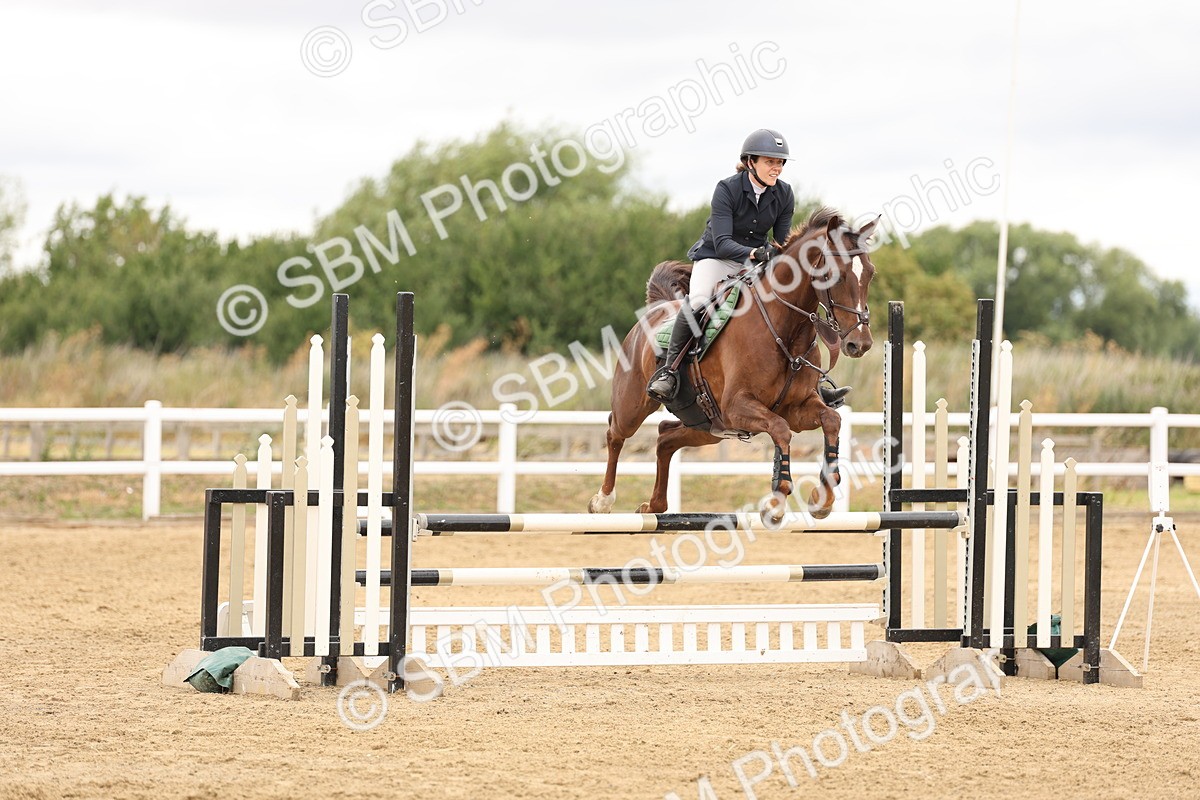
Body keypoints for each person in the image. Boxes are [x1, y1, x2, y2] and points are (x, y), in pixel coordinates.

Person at [647, 128, 795, 402]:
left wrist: (779, 258)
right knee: (699, 302)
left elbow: (782, 241)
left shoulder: (784, 194)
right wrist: (755, 253)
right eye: (770, 162)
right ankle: (669, 371)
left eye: (780, 163)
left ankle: (806, 380)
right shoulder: (727, 189)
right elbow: (724, 242)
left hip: (753, 264)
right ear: (751, 162)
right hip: (716, 258)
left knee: (785, 303)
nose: (777, 168)